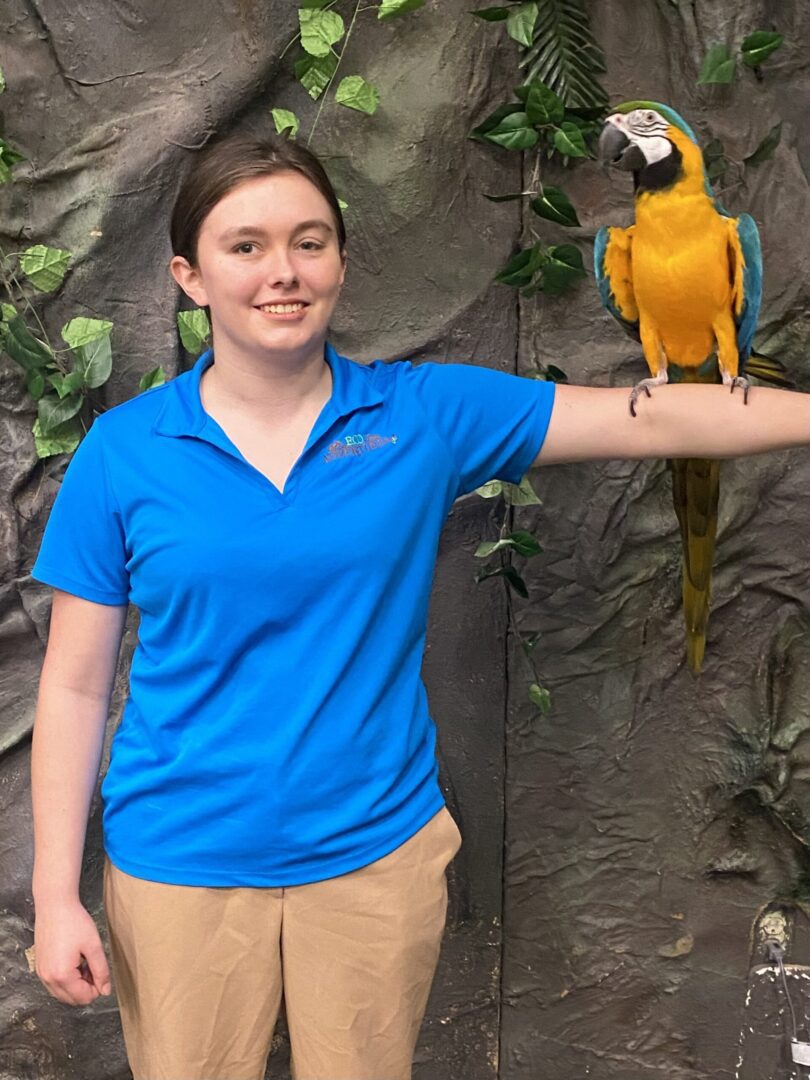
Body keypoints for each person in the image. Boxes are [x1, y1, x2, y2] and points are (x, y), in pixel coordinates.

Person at [29, 129, 810, 1080]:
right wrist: (55, 894)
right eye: (247, 246)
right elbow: (72, 688)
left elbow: (655, 416)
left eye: (309, 242)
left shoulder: (420, 415)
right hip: (177, 866)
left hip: (371, 862)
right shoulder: (124, 452)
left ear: (341, 264)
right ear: (191, 278)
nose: (284, 271)